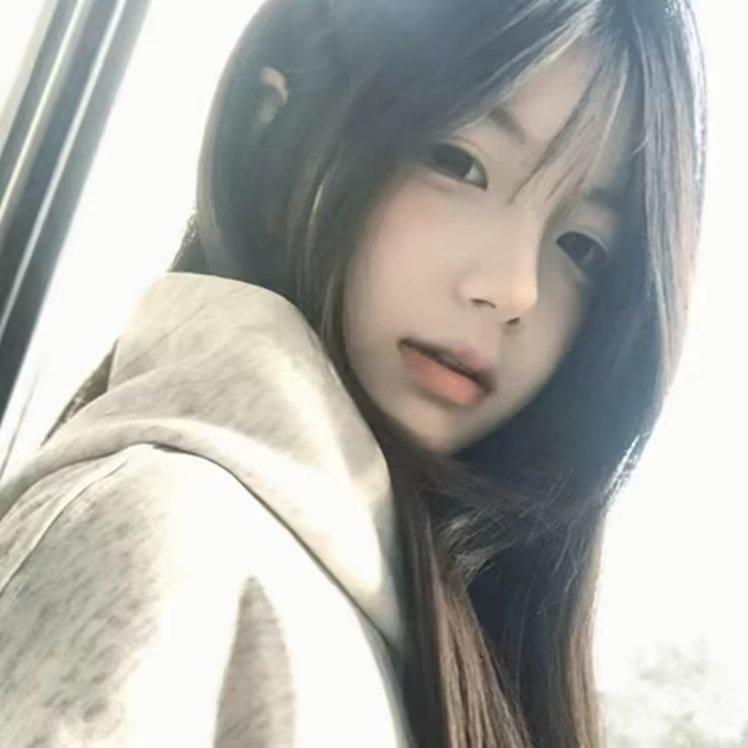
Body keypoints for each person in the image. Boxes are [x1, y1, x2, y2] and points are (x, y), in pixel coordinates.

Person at [0, 0, 706, 745]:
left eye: (582, 246)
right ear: (272, 125)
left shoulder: (423, 622)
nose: (513, 289)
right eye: (458, 163)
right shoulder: (162, 538)